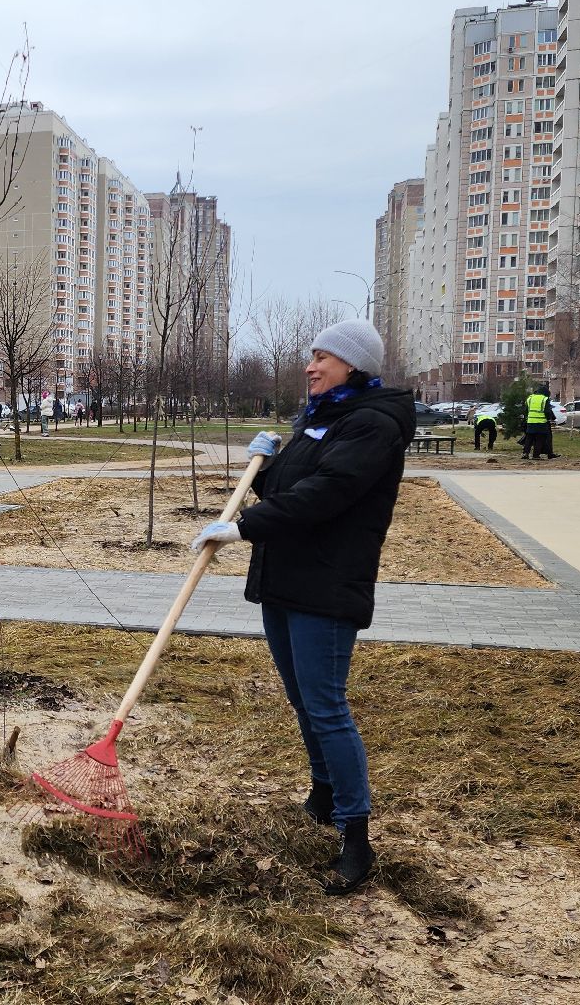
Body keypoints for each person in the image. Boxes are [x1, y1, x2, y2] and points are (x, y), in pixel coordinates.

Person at [192, 318, 413, 896]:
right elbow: (293, 486)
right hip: (287, 580)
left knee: (326, 705)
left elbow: (326, 495)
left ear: (354, 366)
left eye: (324, 356)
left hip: (327, 586)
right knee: (302, 699)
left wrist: (244, 527)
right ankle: (321, 793)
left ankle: (356, 836)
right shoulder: (323, 418)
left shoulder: (373, 424)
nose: (311, 365)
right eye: (311, 355)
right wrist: (266, 465)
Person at [524, 384, 558, 460]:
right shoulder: (544, 399)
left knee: (529, 438)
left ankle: (525, 454)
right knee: (539, 439)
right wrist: (549, 419)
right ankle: (536, 455)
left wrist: (527, 418)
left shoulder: (530, 398)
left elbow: (526, 410)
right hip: (541, 422)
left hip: (530, 421)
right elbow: (547, 411)